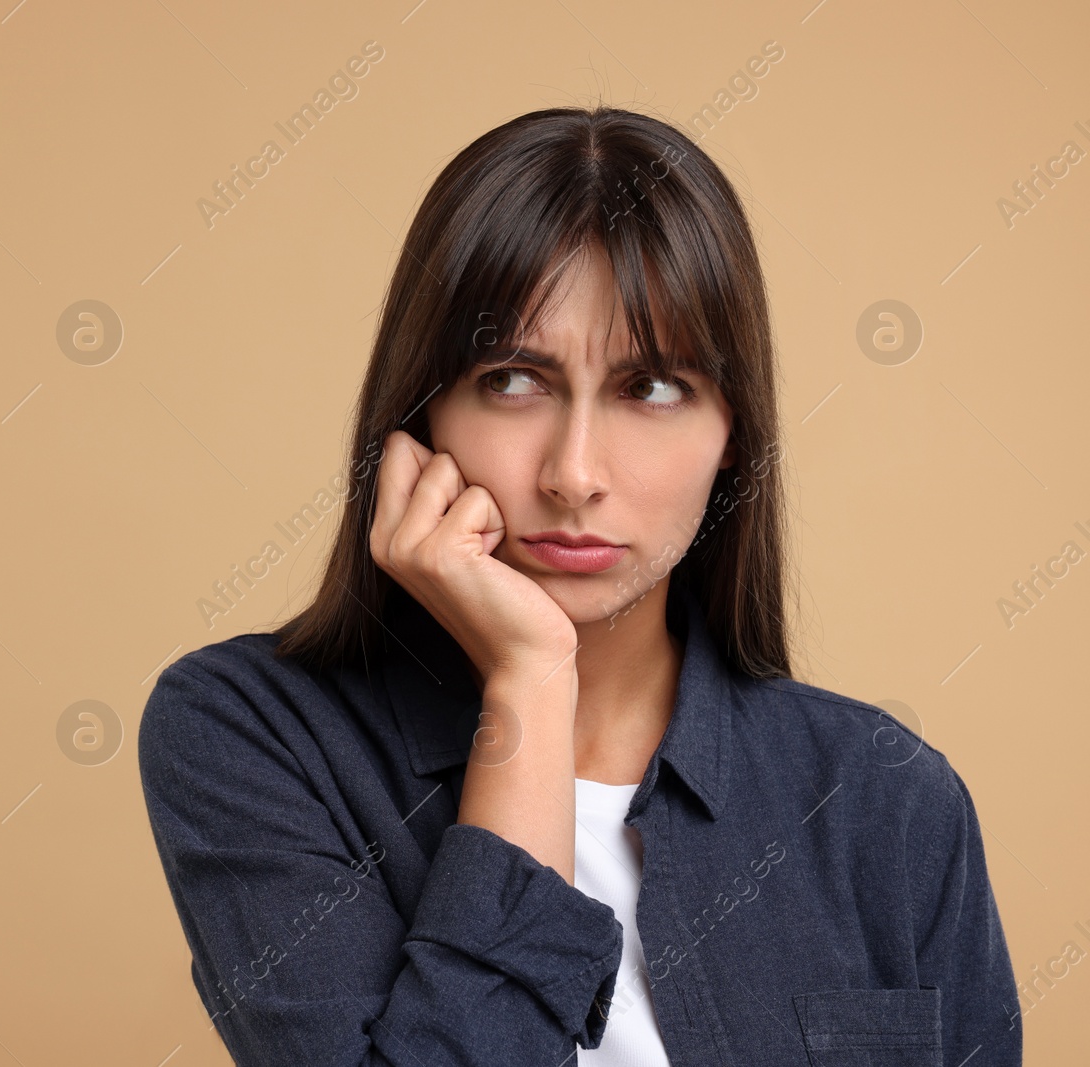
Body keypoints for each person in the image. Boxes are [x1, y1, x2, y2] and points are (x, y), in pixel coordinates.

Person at [137, 106, 1022, 1066]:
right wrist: (530, 680)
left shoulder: (886, 796)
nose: (574, 473)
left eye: (650, 389)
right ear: (421, 414)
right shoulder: (251, 733)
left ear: (734, 437)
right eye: (514, 379)